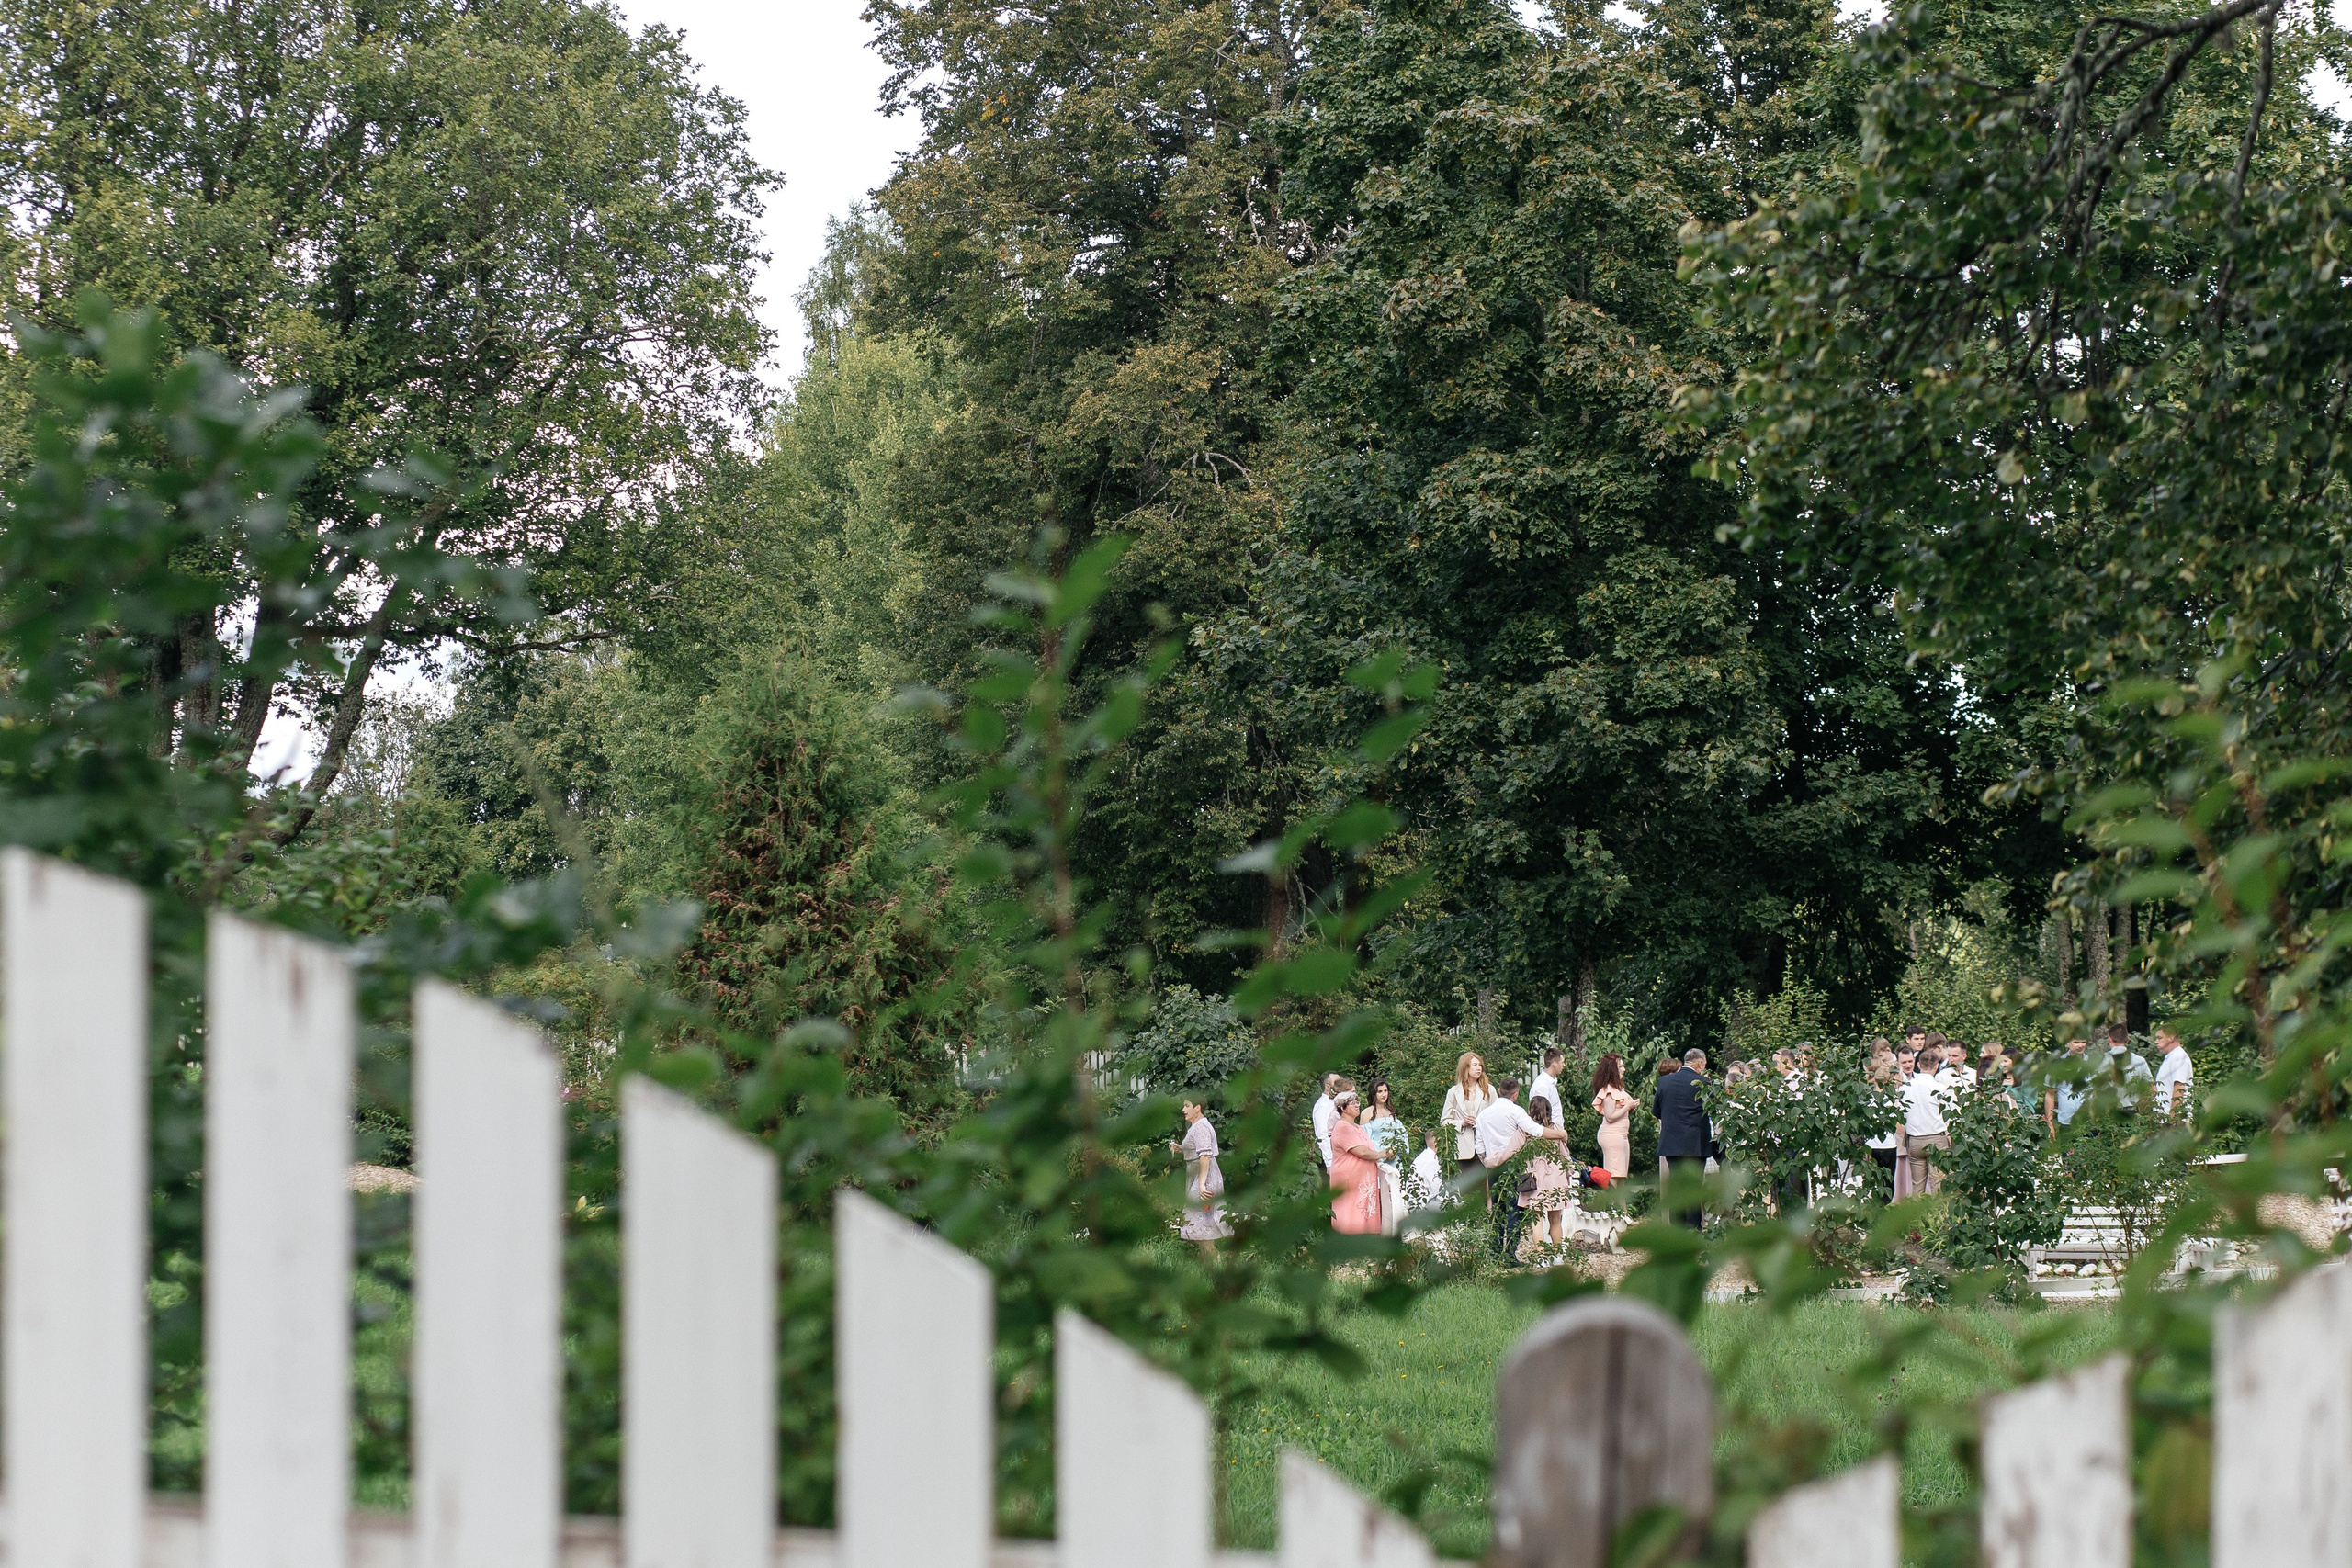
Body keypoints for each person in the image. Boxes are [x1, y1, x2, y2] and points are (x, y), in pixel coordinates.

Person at [1475, 1077, 1571, 1258]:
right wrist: (1561, 1134)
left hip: (1494, 1166)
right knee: (1516, 1212)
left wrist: (1488, 1160)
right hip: (1519, 1166)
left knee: (1497, 1209)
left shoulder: (1483, 1115)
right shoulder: (1516, 1112)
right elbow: (1535, 1131)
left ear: (1499, 1091)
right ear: (1516, 1094)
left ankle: (1496, 1253)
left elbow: (1479, 1146)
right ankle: (1512, 1254)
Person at [1654, 1048, 1713, 1227]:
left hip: (1671, 1142)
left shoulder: (1665, 1082)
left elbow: (1656, 1110)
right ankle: (1694, 1230)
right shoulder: (1704, 1083)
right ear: (1700, 1064)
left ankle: (1676, 1231)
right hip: (1695, 1143)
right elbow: (1713, 1110)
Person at [1169, 1100, 1229, 1249]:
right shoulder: (1196, 1126)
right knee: (1199, 1227)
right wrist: (1182, 1149)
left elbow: (1205, 1156)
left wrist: (1202, 1185)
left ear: (1197, 1108)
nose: (1183, 1109)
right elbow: (1198, 1149)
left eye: (1187, 1106)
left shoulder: (1201, 1126)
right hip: (1197, 1176)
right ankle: (1211, 1265)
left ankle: (1217, 1264)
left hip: (1205, 1178)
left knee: (1201, 1223)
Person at [1520, 1096, 1573, 1251]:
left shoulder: (1527, 1130)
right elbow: (1565, 1155)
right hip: (1556, 1175)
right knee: (1555, 1220)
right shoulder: (1557, 1130)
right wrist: (1568, 1174)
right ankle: (1557, 1254)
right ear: (1549, 1110)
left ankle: (1541, 1255)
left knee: (1537, 1218)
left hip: (1535, 1176)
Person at [1327, 1089, 1383, 1235]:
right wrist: (1381, 1154)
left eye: (1357, 1102)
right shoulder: (1342, 1127)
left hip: (1363, 1181)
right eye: (1352, 1103)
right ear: (1343, 1108)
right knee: (1351, 1210)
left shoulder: (1357, 1127)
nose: (1357, 1105)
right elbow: (1361, 1151)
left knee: (1365, 1210)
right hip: (1349, 1180)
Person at [1900, 1048, 1953, 1195]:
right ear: (1936, 1066)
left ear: (1918, 1065)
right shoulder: (1940, 1088)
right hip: (1936, 1139)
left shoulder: (1905, 1088)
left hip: (1915, 1140)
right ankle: (1939, 1217)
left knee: (1917, 1188)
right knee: (1938, 1186)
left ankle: (1916, 1217)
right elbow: (1951, 1114)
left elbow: (1901, 1114)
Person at [1441, 1052, 1496, 1190]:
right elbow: (1444, 1121)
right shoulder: (1454, 1092)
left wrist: (1482, 1122)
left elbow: (1496, 1116)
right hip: (1464, 1148)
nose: (1479, 1069)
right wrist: (1461, 1123)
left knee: (1485, 1189)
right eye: (1474, 1065)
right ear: (1466, 1068)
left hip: (1485, 1146)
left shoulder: (1489, 1090)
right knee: (1466, 1190)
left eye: (1480, 1065)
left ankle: (1487, 1212)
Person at [1362, 1080, 1409, 1235]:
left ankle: (1396, 1228)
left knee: (1396, 1192)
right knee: (1380, 1192)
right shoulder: (1367, 1113)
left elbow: (1400, 1134)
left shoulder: (1392, 1111)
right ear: (1373, 1093)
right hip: (1378, 1157)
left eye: (1385, 1091)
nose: (1383, 1094)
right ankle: (1380, 1229)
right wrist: (1382, 1152)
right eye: (1379, 1091)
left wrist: (1397, 1148)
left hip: (1394, 1157)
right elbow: (1365, 1138)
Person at [1590, 1053, 1635, 1179]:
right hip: (1612, 1135)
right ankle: (1614, 1199)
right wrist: (1628, 1106)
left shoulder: (1619, 1089)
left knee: (1621, 1175)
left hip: (1621, 1135)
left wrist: (1631, 1107)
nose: (1624, 1069)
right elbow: (1610, 1116)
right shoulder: (1609, 1090)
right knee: (1615, 1174)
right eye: (1620, 1066)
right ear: (1612, 1070)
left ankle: (1621, 1199)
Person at [1863, 1052, 1900, 1195]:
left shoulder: (1867, 1098)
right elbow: (1899, 1129)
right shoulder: (1893, 1099)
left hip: (1871, 1146)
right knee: (1888, 1183)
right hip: (1888, 1146)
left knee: (1871, 1182)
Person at [2046, 1035, 2092, 1134]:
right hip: (2066, 1122)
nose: (2080, 1045)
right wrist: (2050, 1125)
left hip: (2090, 1123)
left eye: (2083, 1042)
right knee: (2067, 1150)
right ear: (2067, 1043)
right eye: (2076, 1042)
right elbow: (2050, 1094)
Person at [2153, 1024, 2194, 1119]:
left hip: (2175, 1122)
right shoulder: (2170, 1058)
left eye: (2160, 1038)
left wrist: (2173, 1120)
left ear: (2171, 1038)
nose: (2156, 1042)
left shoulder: (2178, 1057)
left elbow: (2179, 1089)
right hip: (2164, 1119)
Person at [1408, 1129, 1450, 1211]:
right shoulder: (1431, 1161)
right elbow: (1438, 1190)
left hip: (1418, 1199)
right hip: (1423, 1203)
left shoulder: (1425, 1156)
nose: (1447, 1143)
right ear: (1436, 1143)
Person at [1311, 1073, 1341, 1171]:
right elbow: (1323, 1135)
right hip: (1332, 1158)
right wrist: (1330, 1162)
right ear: (1328, 1087)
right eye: (1337, 1083)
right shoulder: (1323, 1106)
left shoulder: (1335, 1102)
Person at [1529, 1048, 1566, 1127]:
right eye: (1562, 1062)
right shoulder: (1542, 1086)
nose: (1564, 1065)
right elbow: (1541, 1117)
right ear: (1554, 1064)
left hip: (1556, 1132)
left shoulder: (1550, 1082)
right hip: (1550, 1134)